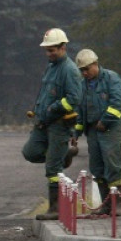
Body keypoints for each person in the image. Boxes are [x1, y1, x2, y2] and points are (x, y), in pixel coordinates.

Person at [22, 28, 83, 221]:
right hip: (42, 123)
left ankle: (55, 209)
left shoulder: (70, 70)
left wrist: (54, 108)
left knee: (53, 169)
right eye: (47, 50)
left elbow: (73, 99)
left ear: (63, 47)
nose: (49, 54)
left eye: (52, 50)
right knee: (30, 152)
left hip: (59, 125)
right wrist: (38, 110)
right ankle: (65, 155)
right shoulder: (51, 67)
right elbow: (45, 93)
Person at [71, 49, 121, 216]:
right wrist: (76, 133)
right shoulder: (83, 86)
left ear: (95, 64)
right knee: (97, 167)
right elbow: (80, 112)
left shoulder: (111, 78)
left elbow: (117, 103)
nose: (85, 73)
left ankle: (118, 205)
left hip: (110, 129)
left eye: (87, 69)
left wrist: (105, 121)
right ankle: (106, 205)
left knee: (112, 165)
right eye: (82, 70)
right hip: (92, 130)